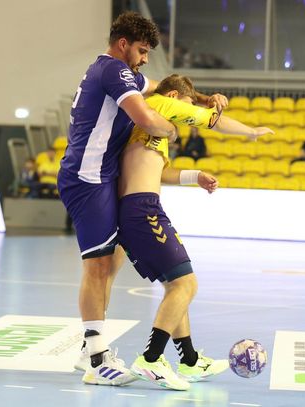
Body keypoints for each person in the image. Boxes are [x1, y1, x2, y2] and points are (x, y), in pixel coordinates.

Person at [57, 12, 228, 387]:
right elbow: (149, 120)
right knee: (99, 268)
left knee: (118, 268)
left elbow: (157, 88)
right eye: (142, 50)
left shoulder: (126, 74)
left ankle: (180, 357)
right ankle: (96, 358)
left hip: (104, 177)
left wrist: (202, 98)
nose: (146, 58)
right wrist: (173, 129)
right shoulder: (114, 71)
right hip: (88, 178)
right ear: (123, 45)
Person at [117, 74, 273, 390]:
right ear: (174, 97)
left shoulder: (153, 125)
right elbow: (212, 121)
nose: (185, 116)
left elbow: (159, 171)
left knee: (177, 284)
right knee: (186, 284)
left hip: (141, 207)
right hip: (141, 209)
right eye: (186, 106)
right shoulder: (160, 104)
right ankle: (150, 359)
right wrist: (251, 132)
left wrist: (195, 176)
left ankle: (189, 361)